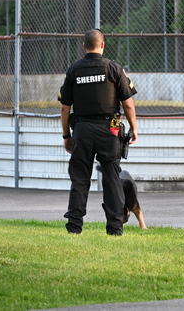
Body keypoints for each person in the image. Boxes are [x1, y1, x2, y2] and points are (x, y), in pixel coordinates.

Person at [59, 29, 138, 236]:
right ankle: (115, 228)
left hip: (82, 130)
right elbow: (128, 104)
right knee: (112, 178)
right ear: (102, 45)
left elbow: (64, 108)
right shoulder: (114, 68)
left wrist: (67, 136)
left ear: (84, 46)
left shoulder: (74, 70)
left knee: (80, 179)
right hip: (109, 130)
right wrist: (134, 128)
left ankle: (74, 228)